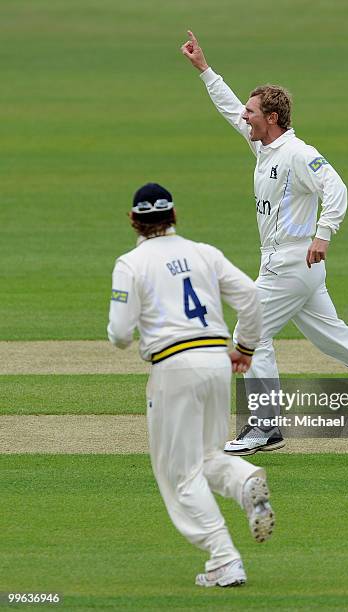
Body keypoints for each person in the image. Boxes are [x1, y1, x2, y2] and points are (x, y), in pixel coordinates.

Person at [180, 31, 348, 453]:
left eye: (253, 111)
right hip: (292, 267)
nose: (245, 115)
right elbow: (228, 109)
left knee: (250, 332)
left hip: (294, 261)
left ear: (272, 118)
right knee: (334, 338)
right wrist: (205, 69)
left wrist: (323, 235)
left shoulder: (298, 153)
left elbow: (337, 188)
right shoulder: (264, 149)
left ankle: (265, 426)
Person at [107, 182, 275, 587]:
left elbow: (120, 333)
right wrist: (245, 348)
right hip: (217, 360)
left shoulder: (130, 264)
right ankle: (245, 480)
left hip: (173, 367)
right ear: (173, 216)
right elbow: (251, 295)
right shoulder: (204, 253)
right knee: (205, 455)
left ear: (134, 220)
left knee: (180, 475)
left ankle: (224, 558)